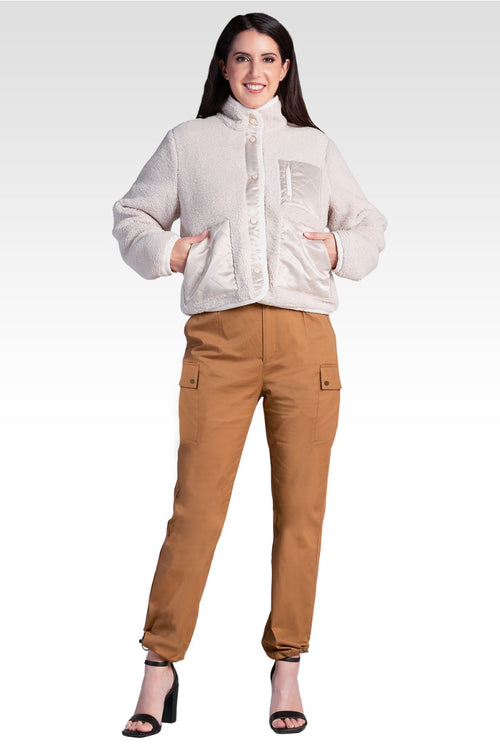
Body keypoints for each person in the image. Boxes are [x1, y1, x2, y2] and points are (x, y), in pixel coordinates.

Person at [112, 12, 387, 737]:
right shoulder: (189, 141)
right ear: (223, 67)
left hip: (305, 343)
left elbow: (368, 226)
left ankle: (287, 663)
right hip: (219, 342)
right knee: (196, 508)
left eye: (268, 58)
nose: (255, 71)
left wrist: (335, 250)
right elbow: (134, 215)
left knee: (301, 510)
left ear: (286, 68)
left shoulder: (314, 145)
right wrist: (170, 254)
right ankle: (160, 662)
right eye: (242, 58)